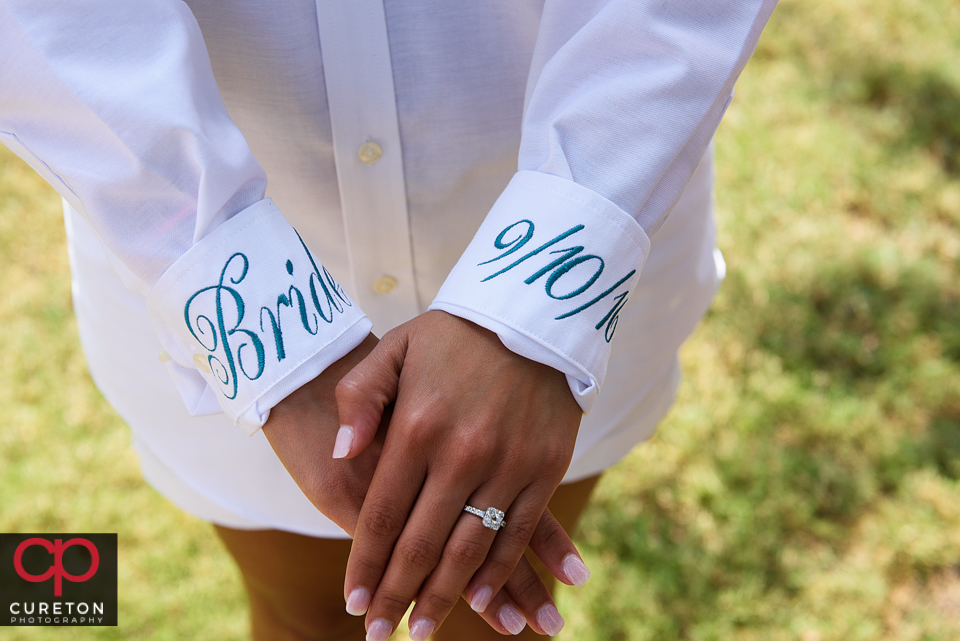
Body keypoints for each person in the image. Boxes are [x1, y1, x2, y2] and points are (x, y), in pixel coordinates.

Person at [0, 1, 777, 638]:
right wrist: (269, 332)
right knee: (306, 617)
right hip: (196, 244)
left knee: (488, 617)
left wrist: (533, 308)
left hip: (571, 213)